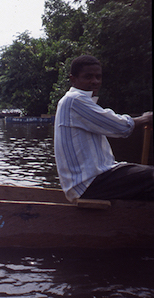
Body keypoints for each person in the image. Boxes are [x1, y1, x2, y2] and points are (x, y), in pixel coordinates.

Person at [54, 55, 153, 202]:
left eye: (98, 77)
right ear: (73, 79)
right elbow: (119, 126)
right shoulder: (74, 100)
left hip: (97, 178)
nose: (95, 81)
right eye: (88, 77)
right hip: (90, 184)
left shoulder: (81, 101)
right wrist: (145, 118)